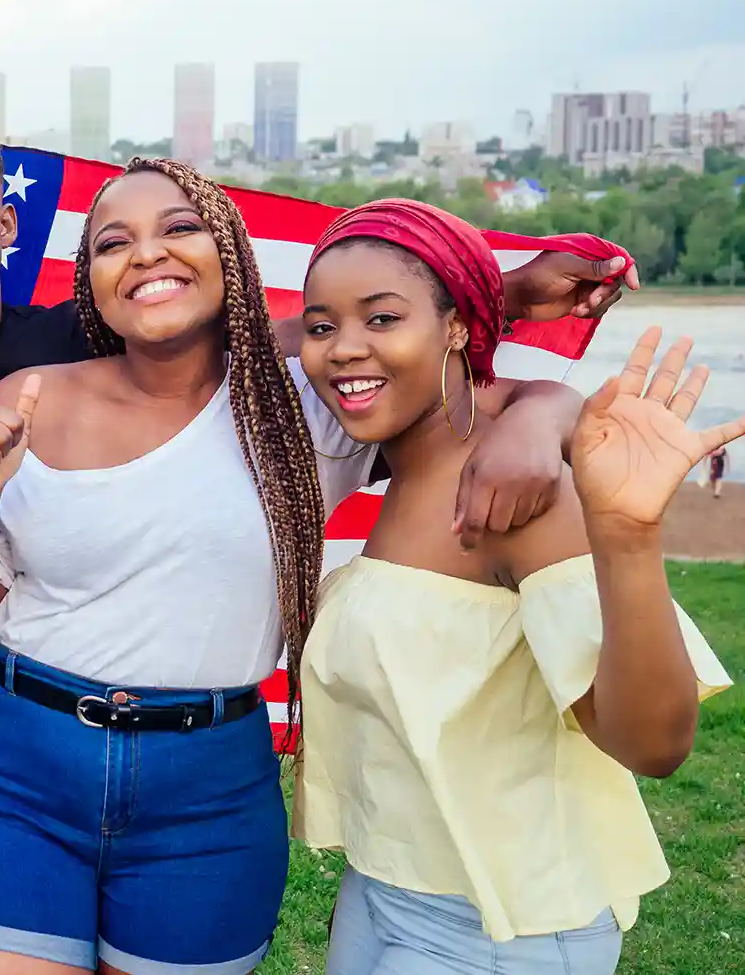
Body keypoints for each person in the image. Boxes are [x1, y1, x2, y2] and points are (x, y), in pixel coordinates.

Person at [0, 115, 638, 975]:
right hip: (14, 767)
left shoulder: (304, 402)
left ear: (231, 253)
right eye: (112, 242)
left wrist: (539, 410)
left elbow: (428, 372)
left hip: (208, 790)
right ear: (89, 279)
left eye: (179, 227)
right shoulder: (27, 395)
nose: (146, 254)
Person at [290, 200, 735, 975]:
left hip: (503, 926)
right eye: (322, 326)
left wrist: (628, 535)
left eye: (382, 318)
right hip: (387, 892)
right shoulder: (411, 456)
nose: (343, 350)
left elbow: (653, 742)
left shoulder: (517, 489)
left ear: (457, 326)